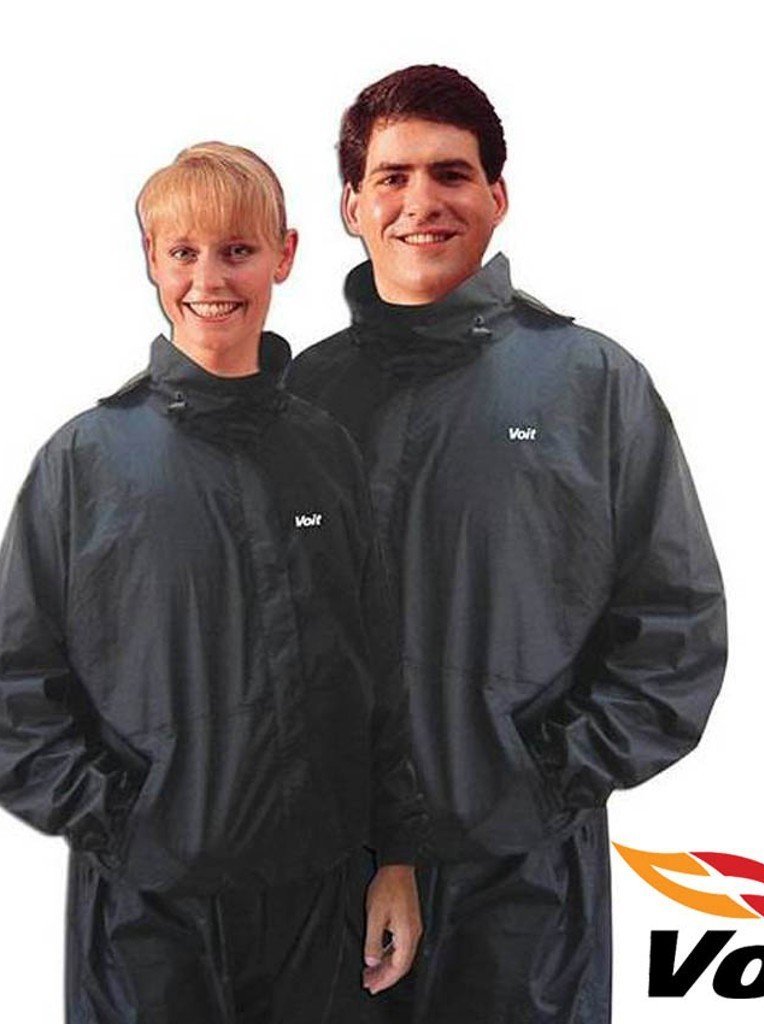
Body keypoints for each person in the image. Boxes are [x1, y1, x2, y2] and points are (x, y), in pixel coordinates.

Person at [287, 67, 728, 1023]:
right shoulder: (295, 403)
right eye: (392, 177)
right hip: (321, 892)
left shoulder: (591, 386)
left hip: (524, 899)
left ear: (498, 195)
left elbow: (676, 630)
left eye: (451, 173)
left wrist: (537, 786)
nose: (422, 201)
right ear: (351, 205)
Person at [0, 142, 424, 1024]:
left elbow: (379, 672)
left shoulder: (324, 452)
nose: (210, 279)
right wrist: (129, 831)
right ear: (152, 258)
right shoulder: (88, 462)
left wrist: (396, 859)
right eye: (184, 252)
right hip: (152, 922)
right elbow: (13, 694)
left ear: (284, 255)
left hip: (317, 906)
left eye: (237, 250)